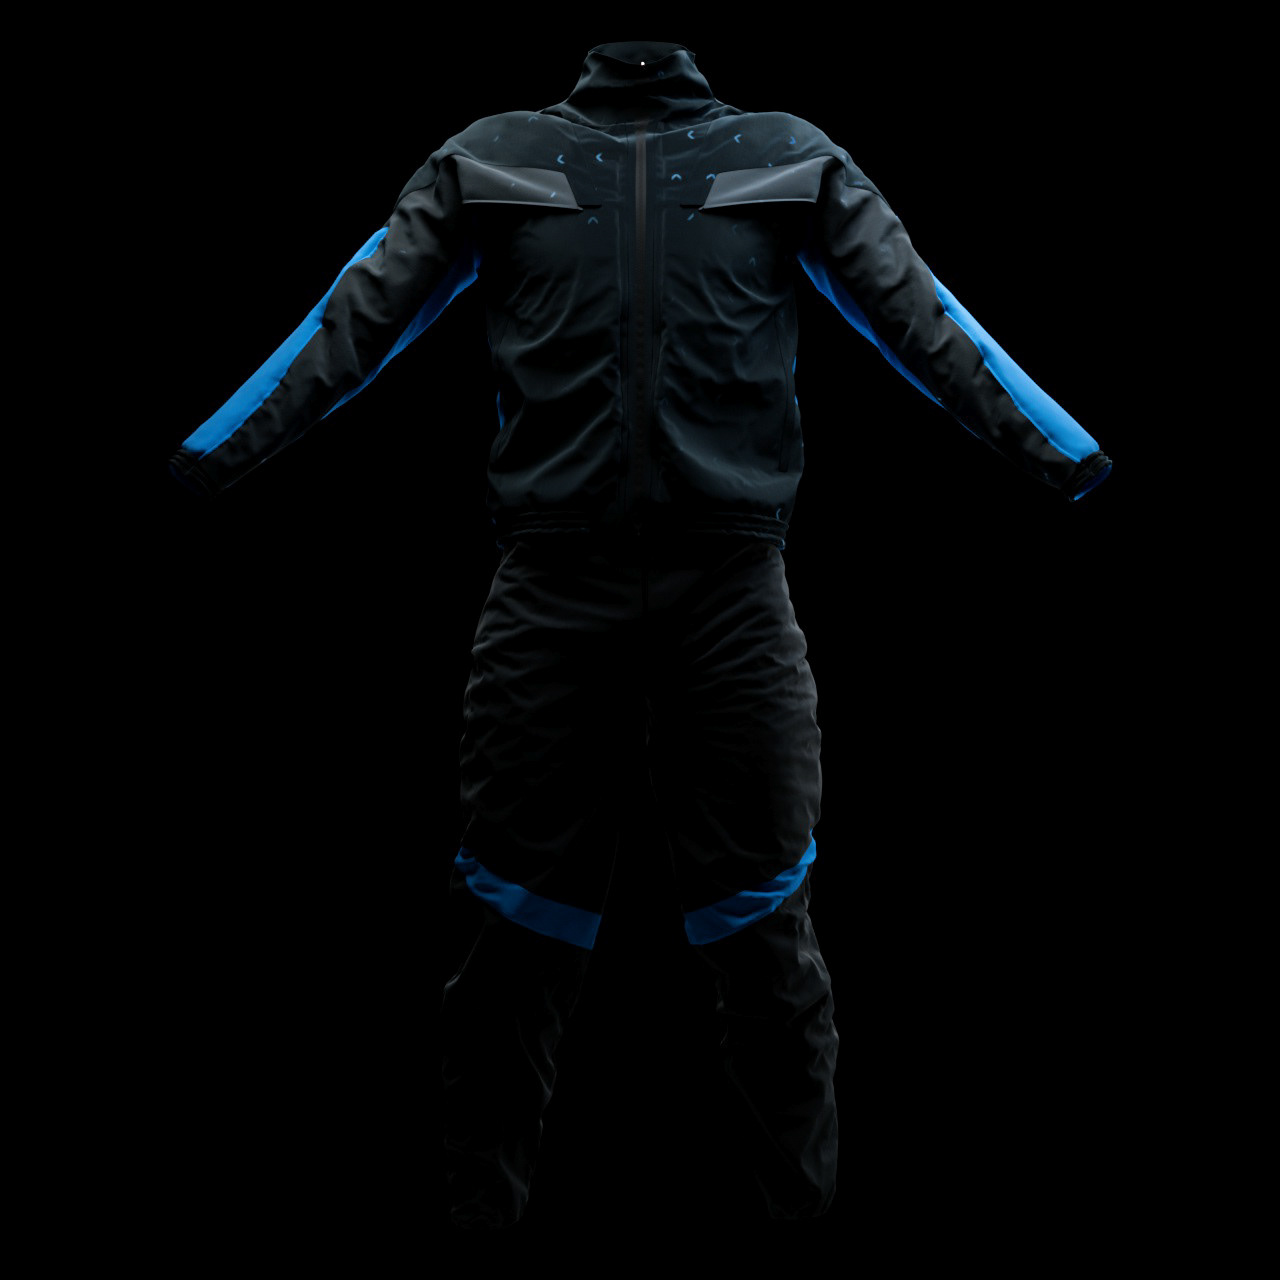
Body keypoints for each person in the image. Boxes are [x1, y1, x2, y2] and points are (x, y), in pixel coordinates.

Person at [168, 40, 1112, 1230]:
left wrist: (1064, 456)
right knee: (511, 926)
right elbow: (350, 320)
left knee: (764, 931)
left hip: (732, 595)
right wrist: (210, 458)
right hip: (549, 593)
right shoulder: (491, 157)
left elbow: (923, 318)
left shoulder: (784, 155)